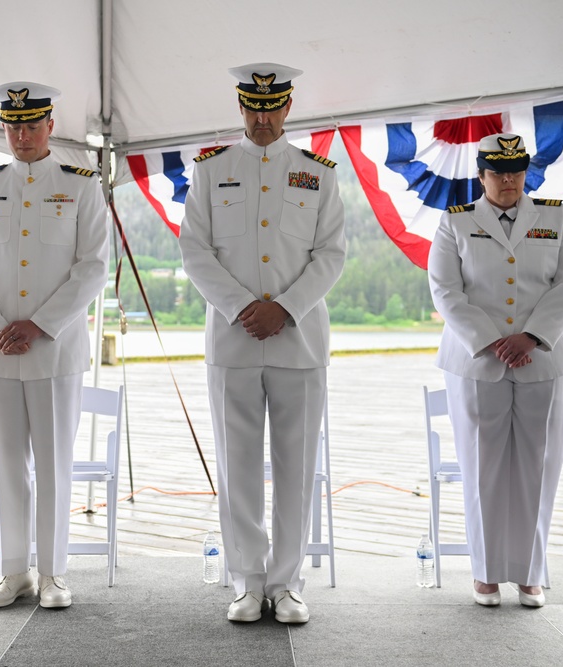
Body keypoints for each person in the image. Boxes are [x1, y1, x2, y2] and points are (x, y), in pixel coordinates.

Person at [178, 63, 346, 624]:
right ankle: (247, 582)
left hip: (298, 340)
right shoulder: (210, 171)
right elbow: (196, 252)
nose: (263, 116)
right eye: (253, 105)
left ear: (289, 107)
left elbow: (331, 255)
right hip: (234, 339)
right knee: (238, 467)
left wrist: (285, 308)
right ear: (240, 106)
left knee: (298, 467)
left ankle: (289, 583)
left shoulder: (318, 173)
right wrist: (242, 307)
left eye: (272, 106)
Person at [0, 81, 110, 609]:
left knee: (55, 463)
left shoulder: (83, 186)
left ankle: (53, 574)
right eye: (12, 124)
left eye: (31, 124)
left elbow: (92, 269)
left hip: (54, 348)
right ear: (4, 128)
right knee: (5, 462)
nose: (21, 134)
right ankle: (12, 571)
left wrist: (39, 324)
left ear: (50, 126)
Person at [427, 133, 563, 608]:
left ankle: (530, 574)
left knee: (539, 467)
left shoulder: (556, 217)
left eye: (516, 170)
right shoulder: (455, 222)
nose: (509, 179)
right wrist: (491, 340)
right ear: (481, 175)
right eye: (498, 171)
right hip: (477, 361)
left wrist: (532, 335)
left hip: (544, 357)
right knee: (482, 468)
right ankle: (485, 574)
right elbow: (445, 289)